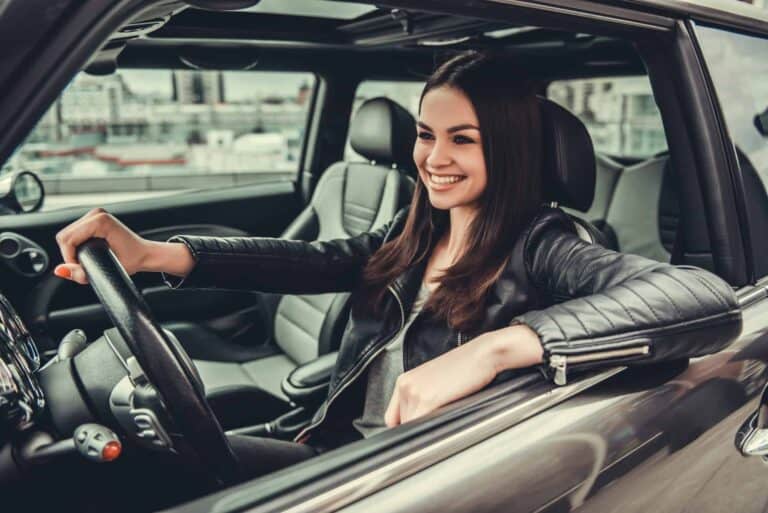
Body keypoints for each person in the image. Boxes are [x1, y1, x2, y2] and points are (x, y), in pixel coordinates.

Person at [53, 52, 741, 474]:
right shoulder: (419, 225)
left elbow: (704, 298)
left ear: (508, 150)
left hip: (411, 474)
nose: (434, 159)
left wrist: (499, 348)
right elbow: (314, 261)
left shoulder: (545, 245)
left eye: (462, 141)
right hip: (336, 449)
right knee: (131, 467)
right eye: (425, 134)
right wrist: (152, 254)